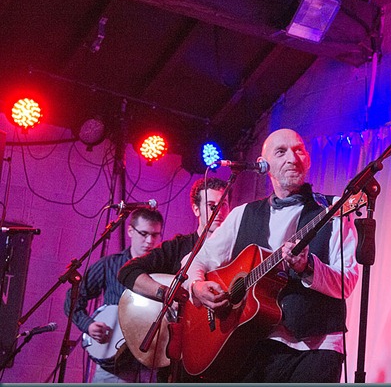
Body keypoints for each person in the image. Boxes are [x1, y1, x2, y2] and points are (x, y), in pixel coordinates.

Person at [184, 128, 359, 383]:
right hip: (252, 345)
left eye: (299, 150)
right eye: (281, 152)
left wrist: (308, 268)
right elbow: (195, 261)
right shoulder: (242, 214)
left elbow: (347, 281)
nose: (292, 158)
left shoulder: (334, 211)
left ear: (308, 159)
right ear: (263, 164)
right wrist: (197, 286)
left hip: (315, 348)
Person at [117, 177, 229, 382]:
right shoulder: (178, 247)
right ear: (196, 209)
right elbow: (128, 272)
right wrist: (167, 294)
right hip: (177, 356)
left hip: (217, 355)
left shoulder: (234, 251)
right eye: (212, 205)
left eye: (224, 205)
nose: (219, 212)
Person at [64, 207, 164, 383]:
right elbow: (73, 299)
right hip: (114, 368)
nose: (149, 241)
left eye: (155, 235)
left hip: (151, 367)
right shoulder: (110, 264)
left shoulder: (165, 269)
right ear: (130, 231)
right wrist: (88, 325)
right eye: (144, 234)